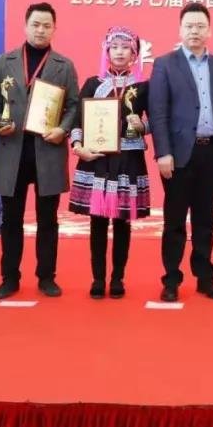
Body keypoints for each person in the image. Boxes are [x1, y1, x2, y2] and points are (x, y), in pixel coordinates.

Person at [0, 2, 80, 300]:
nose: (40, 30)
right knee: (10, 220)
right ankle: (9, 277)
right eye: (35, 24)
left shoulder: (64, 65)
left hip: (47, 150)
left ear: (54, 29)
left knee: (47, 220)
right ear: (25, 26)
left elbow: (73, 106)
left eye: (46, 25)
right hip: (12, 149)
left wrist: (63, 129)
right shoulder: (5, 62)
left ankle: (46, 277)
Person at [149, 2, 213, 302]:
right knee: (174, 221)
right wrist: (163, 152)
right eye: (189, 26)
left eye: (200, 26)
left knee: (205, 220)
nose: (195, 31)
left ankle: (205, 278)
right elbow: (158, 112)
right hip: (177, 155)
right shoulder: (165, 64)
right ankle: (171, 279)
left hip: (211, 152)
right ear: (180, 29)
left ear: (209, 30)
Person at [68, 26, 151, 299]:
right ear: (106, 51)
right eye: (114, 47)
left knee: (122, 223)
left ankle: (117, 278)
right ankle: (98, 278)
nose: (119, 52)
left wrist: (142, 126)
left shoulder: (142, 87)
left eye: (125, 48)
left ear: (134, 54)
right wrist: (78, 147)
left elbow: (155, 122)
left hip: (128, 160)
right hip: (97, 160)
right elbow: (78, 120)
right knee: (98, 222)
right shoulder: (93, 84)